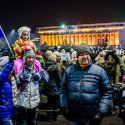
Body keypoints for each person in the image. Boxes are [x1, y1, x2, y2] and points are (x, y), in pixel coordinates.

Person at [60, 44, 112, 125]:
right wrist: (65, 108)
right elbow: (63, 90)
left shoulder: (99, 71)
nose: (85, 56)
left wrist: (100, 112)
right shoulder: (69, 71)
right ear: (77, 57)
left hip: (93, 116)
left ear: (90, 56)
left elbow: (107, 92)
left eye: (87, 54)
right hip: (74, 115)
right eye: (81, 54)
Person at [15, 49, 49, 125]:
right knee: (21, 123)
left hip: (34, 102)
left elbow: (47, 77)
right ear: (24, 58)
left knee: (32, 123)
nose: (31, 59)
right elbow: (12, 80)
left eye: (32, 57)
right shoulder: (19, 68)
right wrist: (20, 78)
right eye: (28, 57)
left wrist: (41, 75)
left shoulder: (37, 68)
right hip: (21, 102)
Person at [0, 53, 15, 125]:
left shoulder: (7, 77)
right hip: (3, 110)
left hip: (6, 109)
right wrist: (10, 65)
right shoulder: (3, 75)